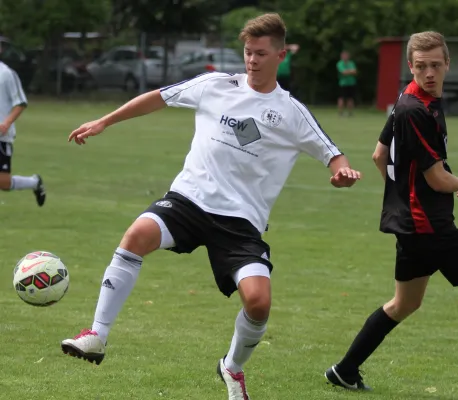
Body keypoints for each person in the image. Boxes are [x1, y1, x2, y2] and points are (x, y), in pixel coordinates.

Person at [60, 12, 361, 400]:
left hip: (240, 223)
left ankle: (231, 368)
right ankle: (96, 335)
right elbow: (158, 97)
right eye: (248, 52)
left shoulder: (291, 112)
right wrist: (105, 120)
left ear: (280, 56)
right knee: (137, 234)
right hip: (189, 200)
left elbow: (333, 155)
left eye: (261, 54)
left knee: (259, 302)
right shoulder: (215, 85)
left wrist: (342, 172)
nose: (252, 60)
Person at [324, 31, 458, 400]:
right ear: (410, 66)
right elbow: (438, 177)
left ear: (447, 64)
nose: (428, 72)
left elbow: (379, 155)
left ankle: (344, 370)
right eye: (420, 66)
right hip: (432, 228)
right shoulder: (417, 110)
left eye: (434, 65)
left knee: (405, 303)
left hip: (411, 227)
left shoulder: (410, 98)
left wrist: (402, 197)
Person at [0, 59, 46, 205]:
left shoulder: (6, 74)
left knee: (3, 183)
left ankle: (34, 182)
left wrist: (6, 123)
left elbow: (20, 102)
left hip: (1, 137)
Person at [336, 51, 357, 117]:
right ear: (341, 57)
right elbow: (343, 72)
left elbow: (355, 72)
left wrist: (347, 71)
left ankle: (350, 113)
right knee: (341, 98)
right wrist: (350, 71)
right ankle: (340, 113)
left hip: (351, 83)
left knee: (350, 98)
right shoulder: (339, 64)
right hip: (343, 84)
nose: (345, 57)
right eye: (343, 56)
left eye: (346, 56)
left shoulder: (351, 63)